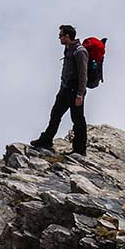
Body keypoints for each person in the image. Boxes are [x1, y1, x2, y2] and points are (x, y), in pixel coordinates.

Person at [30, 24, 88, 155]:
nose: (59, 38)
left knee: (77, 120)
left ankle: (80, 149)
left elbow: (83, 75)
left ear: (67, 36)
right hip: (65, 89)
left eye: (60, 35)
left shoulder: (80, 51)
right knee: (55, 114)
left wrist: (80, 94)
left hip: (75, 91)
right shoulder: (69, 48)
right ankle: (46, 140)